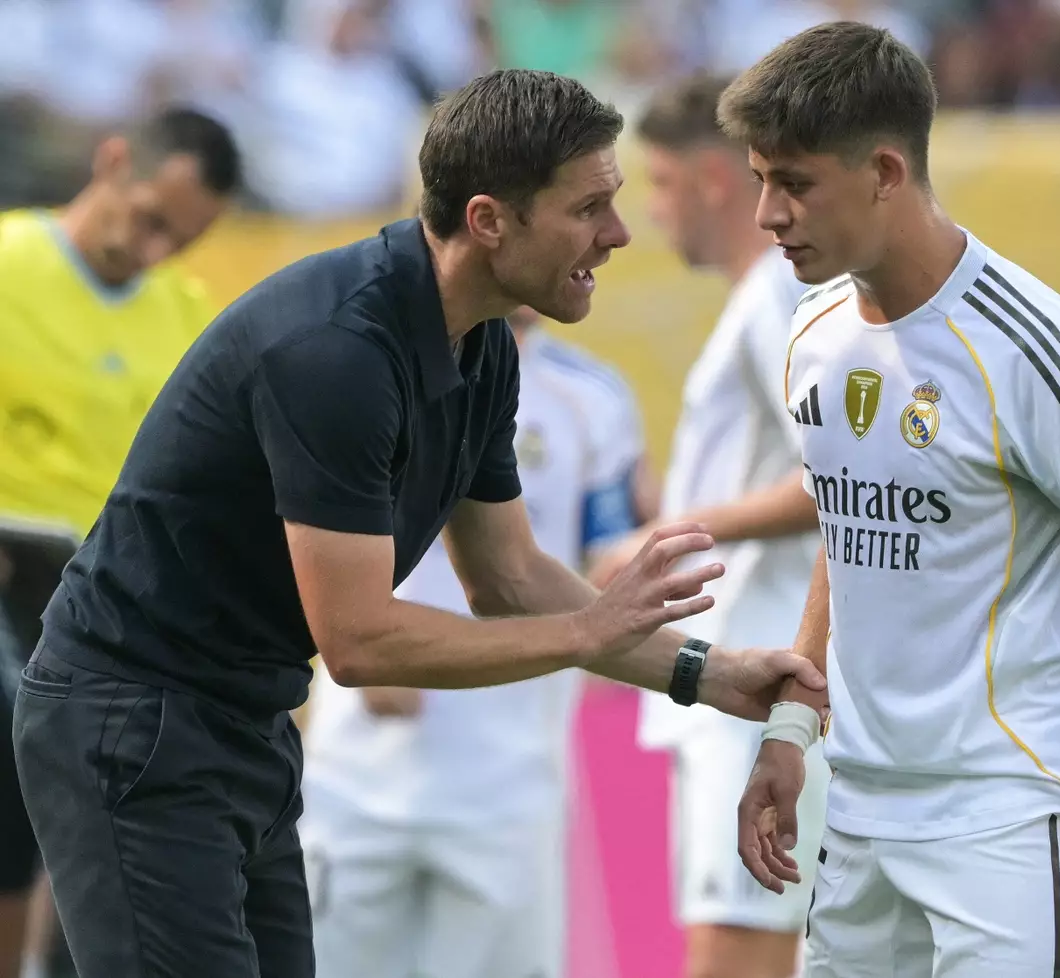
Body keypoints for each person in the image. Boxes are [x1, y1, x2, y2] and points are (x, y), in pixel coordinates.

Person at [11, 69, 824, 978]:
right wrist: (585, 631)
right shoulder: (339, 353)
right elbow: (359, 642)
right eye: (589, 207)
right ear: (489, 221)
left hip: (243, 722)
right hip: (134, 722)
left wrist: (708, 672)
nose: (618, 233)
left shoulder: (481, 345)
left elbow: (509, 578)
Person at [721, 24, 1060, 976]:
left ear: (885, 171)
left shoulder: (1034, 350)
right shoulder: (813, 332)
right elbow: (848, 524)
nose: (766, 214)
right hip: (861, 811)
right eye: (759, 180)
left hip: (1010, 812)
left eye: (793, 183)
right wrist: (792, 726)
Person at [299, 304, 658, 978]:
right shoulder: (361, 368)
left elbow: (612, 578)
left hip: (507, 791)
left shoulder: (592, 399)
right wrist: (362, 639)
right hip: (352, 784)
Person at [589, 74, 830, 978]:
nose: (648, 213)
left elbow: (836, 479)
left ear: (714, 180)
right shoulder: (763, 298)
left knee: (739, 951)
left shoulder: (775, 296)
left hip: (753, 672)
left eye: (658, 183)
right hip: (745, 670)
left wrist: (671, 535)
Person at [0, 106, 241, 978]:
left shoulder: (187, 317)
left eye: (180, 240)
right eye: (149, 221)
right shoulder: (7, 265)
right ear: (110, 160)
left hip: (112, 613)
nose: (154, 252)